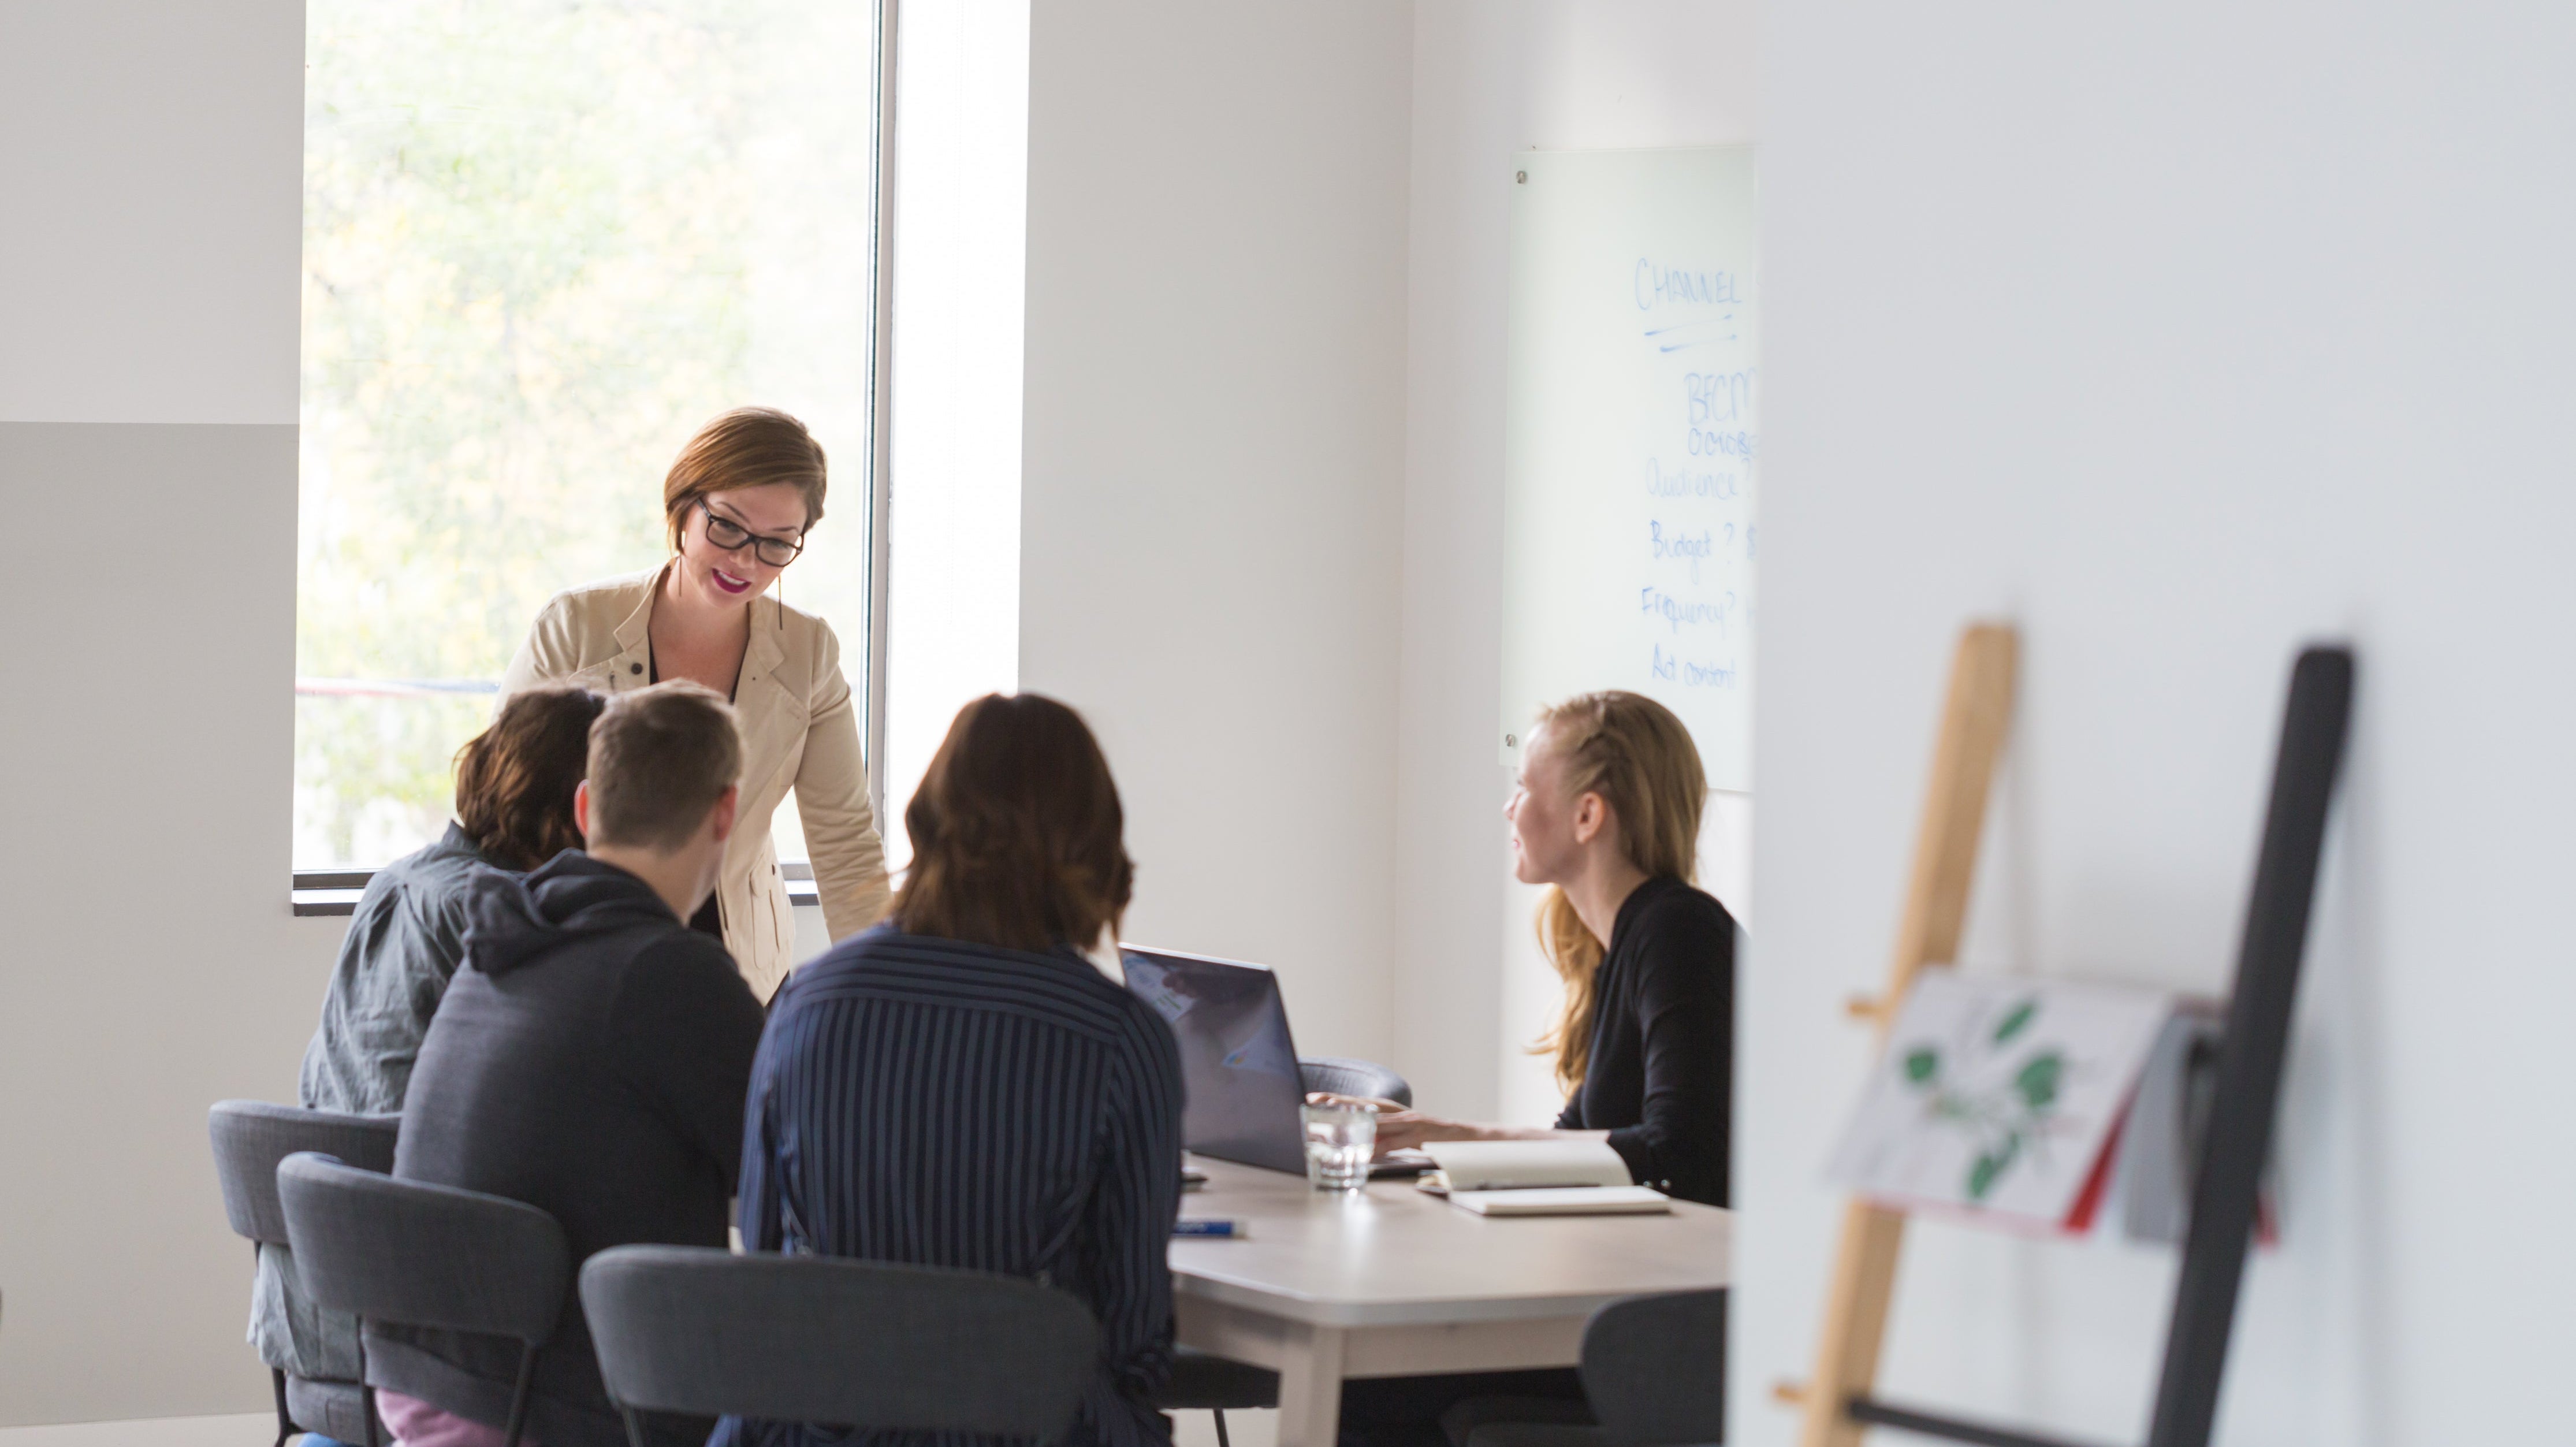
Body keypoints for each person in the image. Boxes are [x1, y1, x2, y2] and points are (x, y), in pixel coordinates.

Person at [715, 694, 1183, 1447]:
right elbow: (1136, 1338)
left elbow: (766, 1272)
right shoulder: (1122, 1037)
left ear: (926, 820)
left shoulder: (807, 999)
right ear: (1094, 841)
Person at [1333, 690, 1736, 1447]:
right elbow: (1581, 1145)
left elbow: (1679, 1154)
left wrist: (1452, 1133)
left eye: (1524, 785)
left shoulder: (1677, 930)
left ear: (1588, 816)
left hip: (1673, 1333)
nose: (1510, 807)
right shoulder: (1638, 940)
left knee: (1362, 1392)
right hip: (1631, 1304)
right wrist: (1430, 1150)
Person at [371, 683, 769, 1447]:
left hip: (424, 1381)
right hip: (559, 1406)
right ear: (725, 813)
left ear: (586, 809)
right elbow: (792, 1170)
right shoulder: (672, 974)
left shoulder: (498, 942)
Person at [252, 685, 606, 1436]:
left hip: (315, 1328)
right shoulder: (507, 912)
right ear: (581, 803)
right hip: (432, 1348)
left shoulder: (397, 882)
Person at [501, 407, 890, 1001]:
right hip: (584, 964)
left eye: (777, 544)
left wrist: (887, 995)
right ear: (684, 506)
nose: (745, 561)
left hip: (738, 977)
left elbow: (844, 842)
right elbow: (504, 811)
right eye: (728, 527)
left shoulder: (808, 652)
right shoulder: (575, 627)